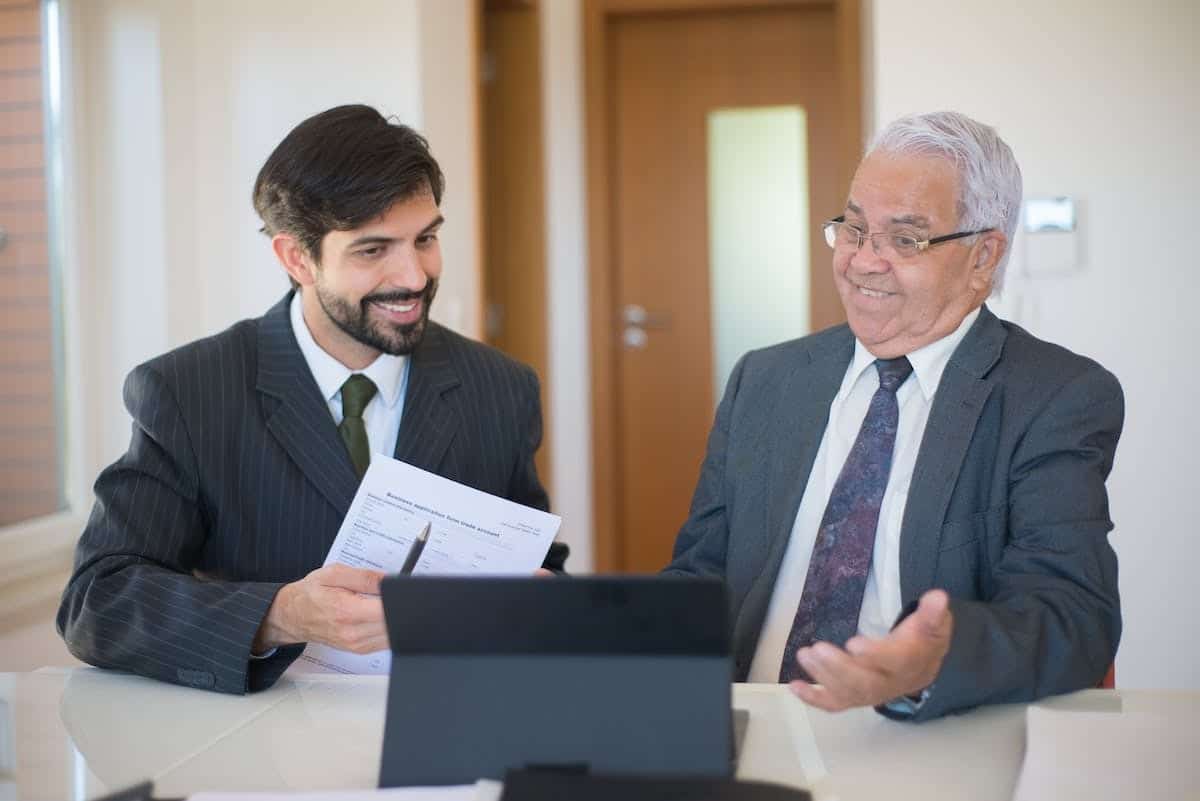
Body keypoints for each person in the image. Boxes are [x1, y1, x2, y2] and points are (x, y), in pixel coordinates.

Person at [58, 104, 563, 694]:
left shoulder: (501, 388)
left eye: (425, 239)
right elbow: (97, 602)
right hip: (260, 754)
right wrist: (279, 616)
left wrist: (545, 598)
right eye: (373, 250)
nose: (416, 276)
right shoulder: (187, 391)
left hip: (445, 727)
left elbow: (539, 564)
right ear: (296, 258)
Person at [664, 111, 1123, 721]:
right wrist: (584, 622)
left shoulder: (1054, 397)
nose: (863, 261)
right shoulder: (767, 381)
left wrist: (933, 662)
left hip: (921, 732)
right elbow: (701, 576)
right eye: (853, 229)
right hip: (750, 723)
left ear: (984, 258)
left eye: (905, 240)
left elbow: (1070, 612)